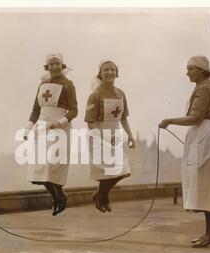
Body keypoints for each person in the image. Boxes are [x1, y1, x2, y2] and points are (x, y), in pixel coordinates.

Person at [159, 55, 210, 248]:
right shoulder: (203, 87)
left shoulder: (204, 88)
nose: (187, 72)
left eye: (190, 69)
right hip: (203, 136)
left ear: (201, 70)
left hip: (205, 137)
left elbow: (195, 117)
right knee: (205, 186)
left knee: (206, 186)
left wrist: (169, 120)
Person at [24, 54, 78, 216]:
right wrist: (28, 127)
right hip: (41, 127)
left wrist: (60, 122)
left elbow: (74, 110)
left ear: (62, 66)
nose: (55, 67)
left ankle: (58, 197)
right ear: (47, 67)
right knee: (40, 169)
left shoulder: (68, 85)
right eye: (51, 64)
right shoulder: (42, 84)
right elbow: (36, 110)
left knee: (52, 166)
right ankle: (58, 196)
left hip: (59, 128)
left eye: (57, 64)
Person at [85, 60, 135, 212]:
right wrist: (101, 138)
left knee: (123, 171)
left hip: (115, 134)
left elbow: (123, 117)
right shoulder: (95, 95)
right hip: (99, 134)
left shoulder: (120, 93)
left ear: (117, 73)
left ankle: (100, 194)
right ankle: (103, 197)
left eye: (112, 69)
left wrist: (130, 135)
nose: (109, 72)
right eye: (106, 69)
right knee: (107, 172)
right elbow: (90, 121)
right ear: (100, 74)